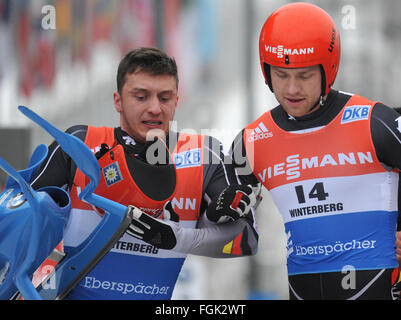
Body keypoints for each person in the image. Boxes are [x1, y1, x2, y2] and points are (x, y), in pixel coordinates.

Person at [30, 47, 259, 300]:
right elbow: (20, 227)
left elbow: (246, 241)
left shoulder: (204, 154)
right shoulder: (79, 144)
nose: (154, 108)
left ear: (176, 101)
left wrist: (192, 228)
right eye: (141, 97)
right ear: (118, 100)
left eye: (164, 97)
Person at [229, 2, 401, 300]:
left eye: (305, 76)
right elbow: (224, 226)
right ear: (266, 71)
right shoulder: (251, 140)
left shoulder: (374, 121)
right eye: (281, 75)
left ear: (328, 68)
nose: (292, 88)